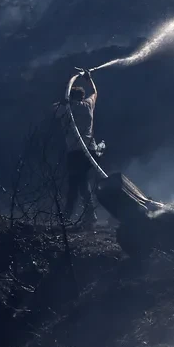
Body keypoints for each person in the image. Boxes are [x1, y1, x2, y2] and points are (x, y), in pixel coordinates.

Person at [55, 70, 98, 229]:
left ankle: (72, 217)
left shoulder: (67, 109)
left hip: (76, 152)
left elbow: (54, 112)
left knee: (76, 184)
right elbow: (94, 92)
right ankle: (85, 216)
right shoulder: (88, 104)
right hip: (90, 151)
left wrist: (63, 102)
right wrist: (89, 79)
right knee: (81, 183)